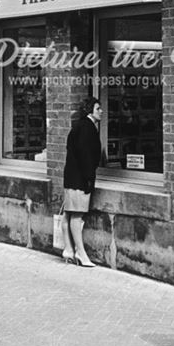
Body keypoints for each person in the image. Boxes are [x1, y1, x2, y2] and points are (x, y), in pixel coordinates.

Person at [61, 97, 102, 267]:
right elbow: (86, 155)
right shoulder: (88, 127)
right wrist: (88, 179)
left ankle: (68, 249)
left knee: (68, 214)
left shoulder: (78, 126)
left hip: (71, 177)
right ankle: (81, 253)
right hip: (79, 179)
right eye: (98, 108)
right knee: (77, 215)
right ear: (90, 110)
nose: (101, 111)